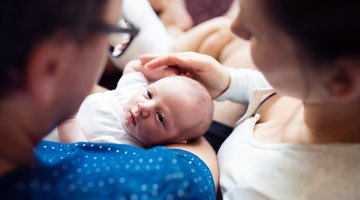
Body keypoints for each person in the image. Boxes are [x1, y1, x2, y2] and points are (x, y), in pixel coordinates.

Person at [140, 0, 360, 199]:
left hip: (207, 156)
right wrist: (229, 82)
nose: (237, 27)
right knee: (220, 33)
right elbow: (275, 89)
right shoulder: (327, 97)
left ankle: (170, 29)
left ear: (339, 80)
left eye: (256, 34)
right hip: (241, 124)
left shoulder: (265, 190)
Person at [0, 0, 218, 199]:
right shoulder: (134, 177)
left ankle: (176, 24)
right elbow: (192, 173)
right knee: (219, 33)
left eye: (160, 117)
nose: (144, 107)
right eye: (112, 35)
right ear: (48, 67)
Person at [58, 60, 214, 148]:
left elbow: (82, 157)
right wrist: (164, 73)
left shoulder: (129, 149)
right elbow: (132, 67)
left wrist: (67, 121)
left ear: (174, 141)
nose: (144, 107)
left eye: (160, 117)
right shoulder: (132, 90)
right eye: (149, 94)